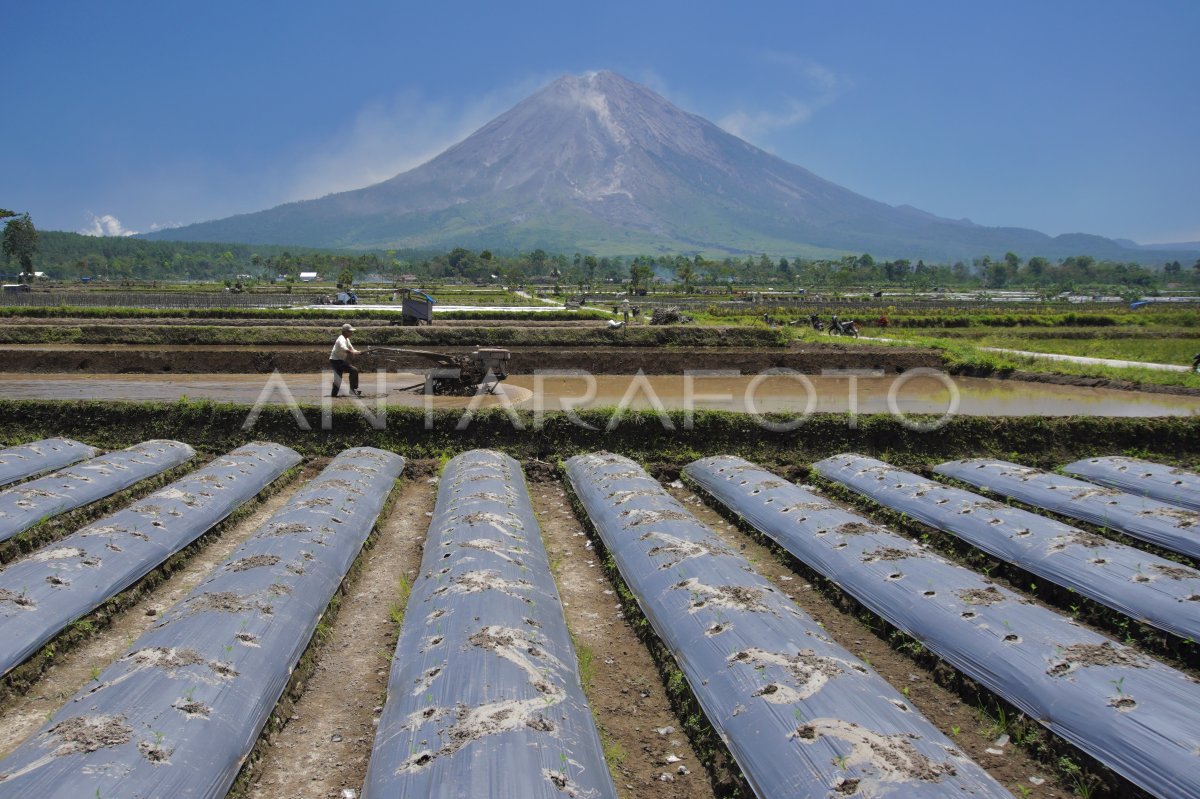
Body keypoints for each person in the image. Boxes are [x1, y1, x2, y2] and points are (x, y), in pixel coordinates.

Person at [330, 323, 364, 397]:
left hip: (336, 360)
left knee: (338, 379)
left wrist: (358, 352)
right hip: (336, 361)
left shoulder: (347, 339)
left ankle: (333, 395)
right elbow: (344, 348)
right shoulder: (341, 339)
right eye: (350, 331)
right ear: (345, 331)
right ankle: (352, 390)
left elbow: (352, 349)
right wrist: (351, 352)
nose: (351, 333)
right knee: (354, 370)